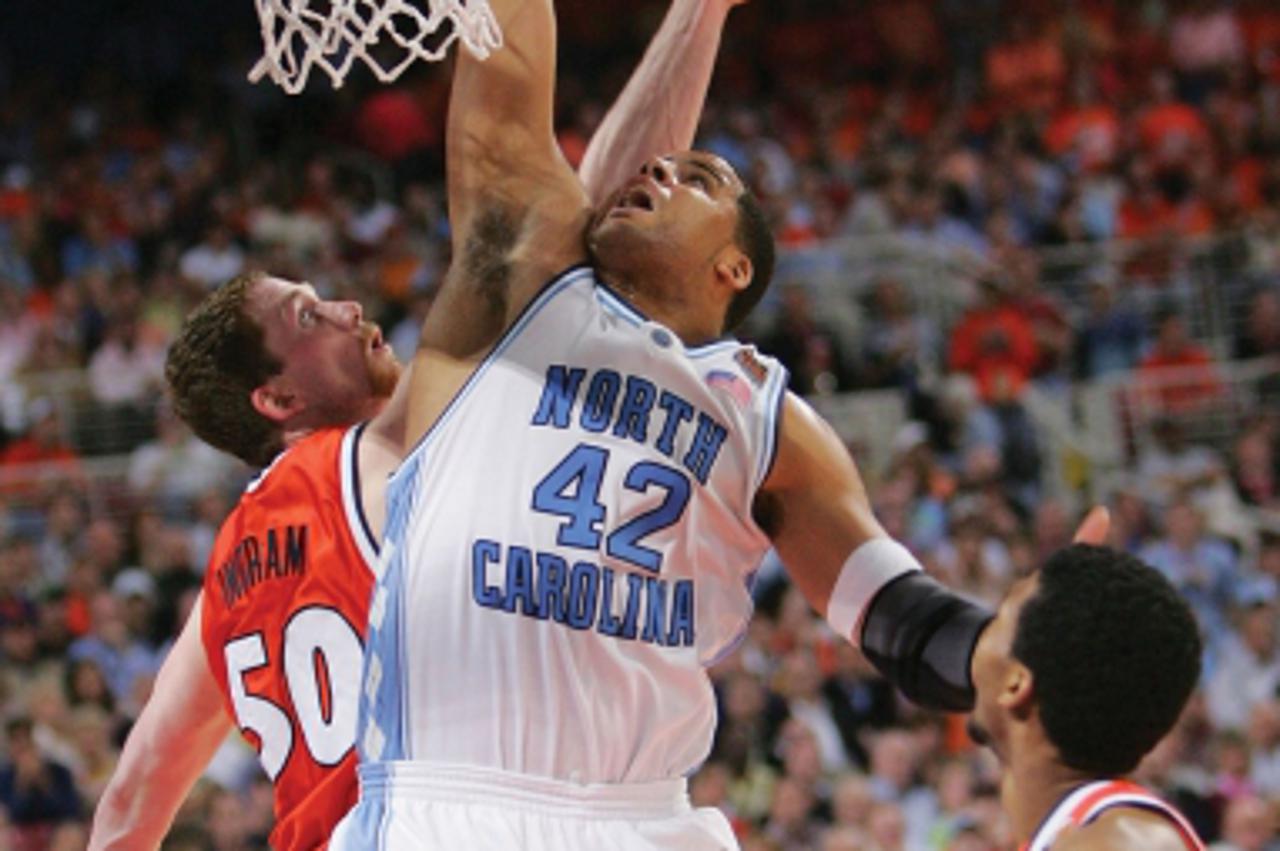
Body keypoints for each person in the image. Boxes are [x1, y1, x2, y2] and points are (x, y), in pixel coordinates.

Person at [332, 0, 1106, 845]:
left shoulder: (767, 417)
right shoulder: (517, 293)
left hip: (646, 818)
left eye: (696, 178)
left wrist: (1012, 644)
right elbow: (504, 67)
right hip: (447, 801)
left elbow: (895, 615)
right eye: (655, 170)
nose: (657, 174)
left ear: (735, 265)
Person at [86, 1, 747, 846]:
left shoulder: (226, 582)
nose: (346, 308)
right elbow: (554, 253)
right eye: (308, 317)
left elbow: (129, 802)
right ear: (277, 401)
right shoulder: (383, 451)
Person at [967, 543, 1205, 850]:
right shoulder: (1085, 830)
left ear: (1016, 686)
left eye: (997, 620)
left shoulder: (1125, 840)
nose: (976, 639)